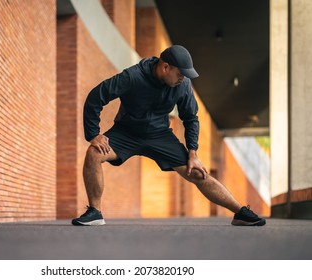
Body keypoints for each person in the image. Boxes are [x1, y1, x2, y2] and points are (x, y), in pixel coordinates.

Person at [72, 45, 266, 227]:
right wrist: (93, 134)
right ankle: (95, 212)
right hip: (126, 133)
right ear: (165, 67)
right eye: (180, 74)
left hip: (159, 135)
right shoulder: (132, 77)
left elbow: (191, 118)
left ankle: (239, 212)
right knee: (94, 154)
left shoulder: (183, 85)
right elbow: (95, 97)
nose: (183, 79)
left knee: (197, 172)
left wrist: (193, 152)